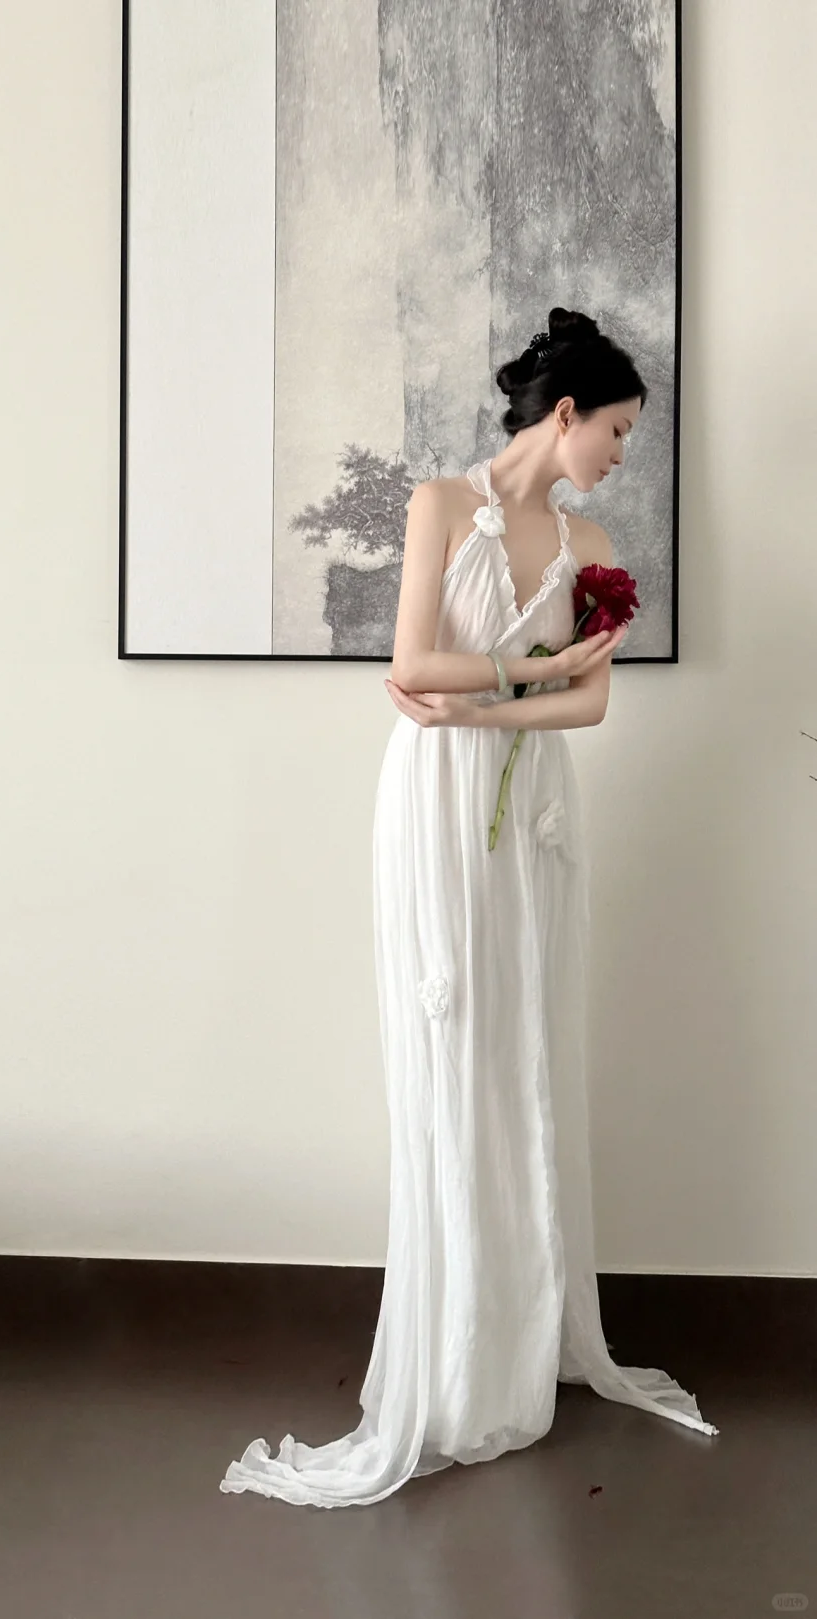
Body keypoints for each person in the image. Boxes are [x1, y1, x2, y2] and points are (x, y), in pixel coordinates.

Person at [220, 306, 717, 1509]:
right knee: (451, 1047)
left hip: (529, 803)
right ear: (566, 413)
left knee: (521, 1053)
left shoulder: (591, 541)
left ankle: (518, 1351)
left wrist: (498, 703)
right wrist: (528, 674)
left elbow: (588, 708)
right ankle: (449, 1362)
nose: (621, 453)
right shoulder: (440, 505)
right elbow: (410, 666)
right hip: (438, 800)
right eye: (616, 430)